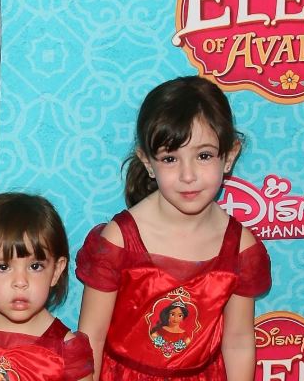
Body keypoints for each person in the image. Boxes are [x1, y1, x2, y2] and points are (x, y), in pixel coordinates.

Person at [76, 77, 271, 380]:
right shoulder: (120, 240)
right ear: (148, 162)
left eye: (204, 156)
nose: (188, 175)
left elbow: (238, 341)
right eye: (170, 158)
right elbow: (91, 338)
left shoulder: (240, 247)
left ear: (229, 156)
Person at [0, 193, 93, 381]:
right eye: (3, 267)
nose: (21, 282)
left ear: (56, 271)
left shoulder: (66, 351)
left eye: (35, 266)